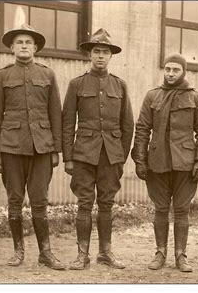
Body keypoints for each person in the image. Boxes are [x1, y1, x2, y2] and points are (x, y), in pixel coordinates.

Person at [0, 24, 65, 270]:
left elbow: (56, 115)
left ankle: (46, 253)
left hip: (42, 148)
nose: (23, 45)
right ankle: (18, 250)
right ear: (11, 47)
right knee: (14, 200)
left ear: (35, 48)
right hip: (11, 148)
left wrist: (56, 150)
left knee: (40, 200)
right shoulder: (2, 76)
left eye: (28, 42)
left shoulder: (47, 75)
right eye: (19, 42)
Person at [131, 53, 198, 272]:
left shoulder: (195, 98)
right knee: (160, 208)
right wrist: (140, 159)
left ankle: (180, 255)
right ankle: (160, 253)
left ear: (184, 72)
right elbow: (142, 129)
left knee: (182, 210)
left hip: (186, 164)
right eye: (167, 69)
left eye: (175, 70)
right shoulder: (152, 96)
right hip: (157, 162)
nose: (170, 73)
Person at [62, 28, 134, 270]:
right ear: (89, 55)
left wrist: (121, 156)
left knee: (106, 203)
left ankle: (105, 252)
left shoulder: (120, 86)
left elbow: (127, 124)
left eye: (105, 52)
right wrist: (68, 158)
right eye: (96, 52)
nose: (101, 56)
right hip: (83, 153)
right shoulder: (76, 84)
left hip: (110, 155)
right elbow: (67, 122)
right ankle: (82, 254)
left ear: (111, 56)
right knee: (84, 203)